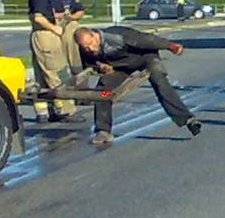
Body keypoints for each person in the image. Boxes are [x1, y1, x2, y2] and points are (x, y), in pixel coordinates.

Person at [74, 26, 202, 145]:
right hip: (119, 67)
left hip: (145, 58)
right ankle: (103, 131)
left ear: (95, 35)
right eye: (85, 47)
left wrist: (170, 46)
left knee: (160, 83)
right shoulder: (84, 48)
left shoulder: (117, 37)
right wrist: (100, 66)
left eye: (90, 44)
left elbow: (147, 40)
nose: (89, 49)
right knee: (102, 91)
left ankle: (187, 119)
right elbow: (90, 64)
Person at [28, 0, 78, 122]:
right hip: (46, 36)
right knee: (58, 72)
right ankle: (65, 109)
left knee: (41, 75)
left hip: (38, 36)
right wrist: (55, 28)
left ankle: (42, 111)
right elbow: (38, 17)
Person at [49, 0, 85, 74]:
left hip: (67, 22)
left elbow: (80, 11)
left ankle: (77, 68)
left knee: (73, 28)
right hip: (51, 25)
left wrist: (70, 17)